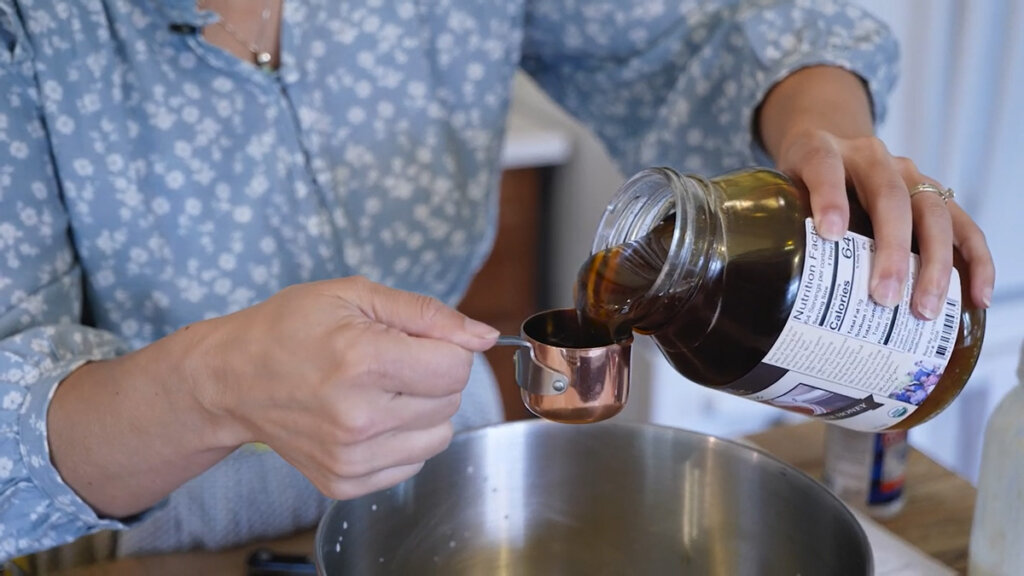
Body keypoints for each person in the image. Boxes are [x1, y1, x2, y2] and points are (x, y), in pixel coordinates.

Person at [0, 0, 995, 562]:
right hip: (139, 528)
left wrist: (822, 126)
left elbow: (697, 34)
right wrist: (207, 382)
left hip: (437, 450)